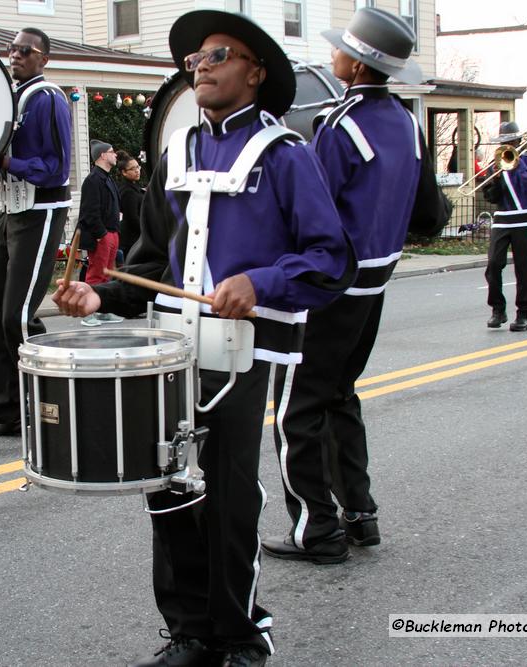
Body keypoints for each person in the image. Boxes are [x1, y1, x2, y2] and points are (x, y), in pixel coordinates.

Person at [54, 11, 355, 665]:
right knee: (167, 486)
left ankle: (240, 633)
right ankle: (189, 631)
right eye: (194, 59)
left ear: (255, 71)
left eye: (219, 54)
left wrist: (263, 280)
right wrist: (98, 295)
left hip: (244, 350)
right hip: (171, 347)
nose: (202, 65)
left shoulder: (286, 156)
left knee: (226, 491)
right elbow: (150, 264)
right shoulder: (178, 154)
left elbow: (332, 259)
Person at [261, 7, 446, 564]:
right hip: (375, 285)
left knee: (297, 410)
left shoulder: (339, 125)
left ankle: (316, 529)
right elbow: (428, 215)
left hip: (331, 287)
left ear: (357, 66)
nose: (333, 54)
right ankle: (359, 514)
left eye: (342, 48)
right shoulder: (407, 123)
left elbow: (310, 215)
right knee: (340, 394)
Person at [0, 27, 72, 437]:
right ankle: (8, 409)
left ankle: (50, 406)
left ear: (43, 58)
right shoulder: (11, 98)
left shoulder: (49, 98)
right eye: (11, 49)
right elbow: (5, 162)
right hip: (12, 209)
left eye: (25, 51)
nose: (15, 55)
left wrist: (5, 163)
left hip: (42, 210)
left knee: (19, 315)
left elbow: (56, 169)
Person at [481, 121, 527, 331]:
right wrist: (495, 180)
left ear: (518, 141)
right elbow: (491, 197)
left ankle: (524, 313)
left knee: (524, 269)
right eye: (504, 141)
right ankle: (498, 309)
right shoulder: (495, 164)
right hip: (502, 218)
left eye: (510, 141)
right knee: (493, 265)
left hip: (525, 219)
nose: (507, 145)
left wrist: (519, 166)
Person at [77, 139, 124, 327]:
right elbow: (89, 212)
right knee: (96, 274)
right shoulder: (92, 180)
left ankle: (103, 310)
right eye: (112, 151)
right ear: (102, 155)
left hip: (112, 233)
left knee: (107, 275)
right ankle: (88, 312)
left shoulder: (108, 178)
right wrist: (101, 234)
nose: (116, 155)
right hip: (101, 236)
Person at [116, 149, 145, 261]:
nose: (137, 171)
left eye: (138, 167)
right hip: (131, 239)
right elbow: (132, 217)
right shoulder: (127, 191)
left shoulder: (134, 187)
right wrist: (146, 231)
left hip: (135, 237)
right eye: (133, 169)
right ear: (124, 172)